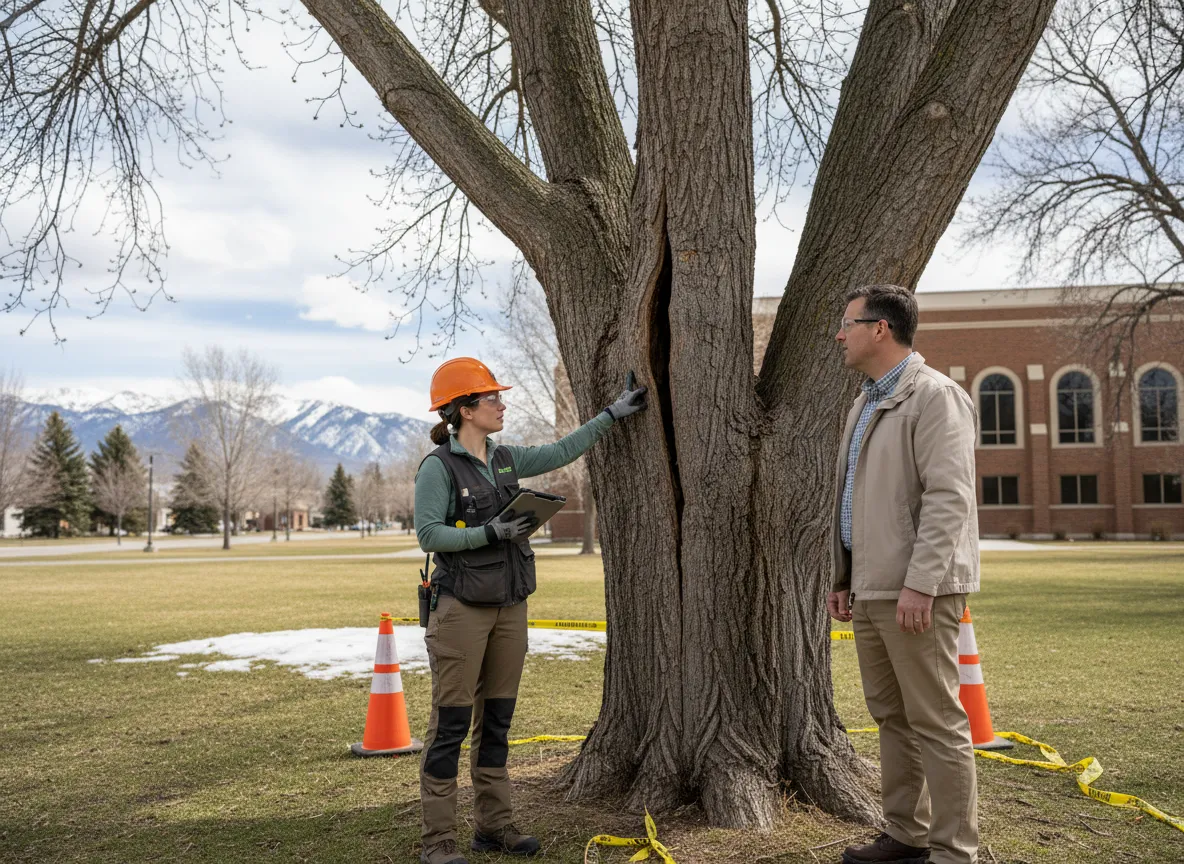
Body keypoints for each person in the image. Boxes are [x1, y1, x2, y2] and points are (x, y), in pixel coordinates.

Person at [414, 357, 646, 864]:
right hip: (459, 609)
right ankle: (438, 842)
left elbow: (562, 450)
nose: (502, 404)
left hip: (510, 605)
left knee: (497, 721)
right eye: (492, 398)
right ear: (465, 409)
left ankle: (493, 828)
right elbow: (428, 533)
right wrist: (487, 533)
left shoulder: (505, 458)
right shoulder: (439, 467)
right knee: (451, 724)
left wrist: (613, 413)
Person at [828, 285, 980, 864]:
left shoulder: (935, 397)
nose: (840, 336)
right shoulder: (866, 402)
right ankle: (906, 835)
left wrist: (921, 582)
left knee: (937, 721)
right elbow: (851, 498)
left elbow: (949, 498)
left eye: (848, 325)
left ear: (880, 329)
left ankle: (952, 853)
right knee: (891, 716)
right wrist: (841, 577)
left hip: (918, 591)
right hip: (870, 588)